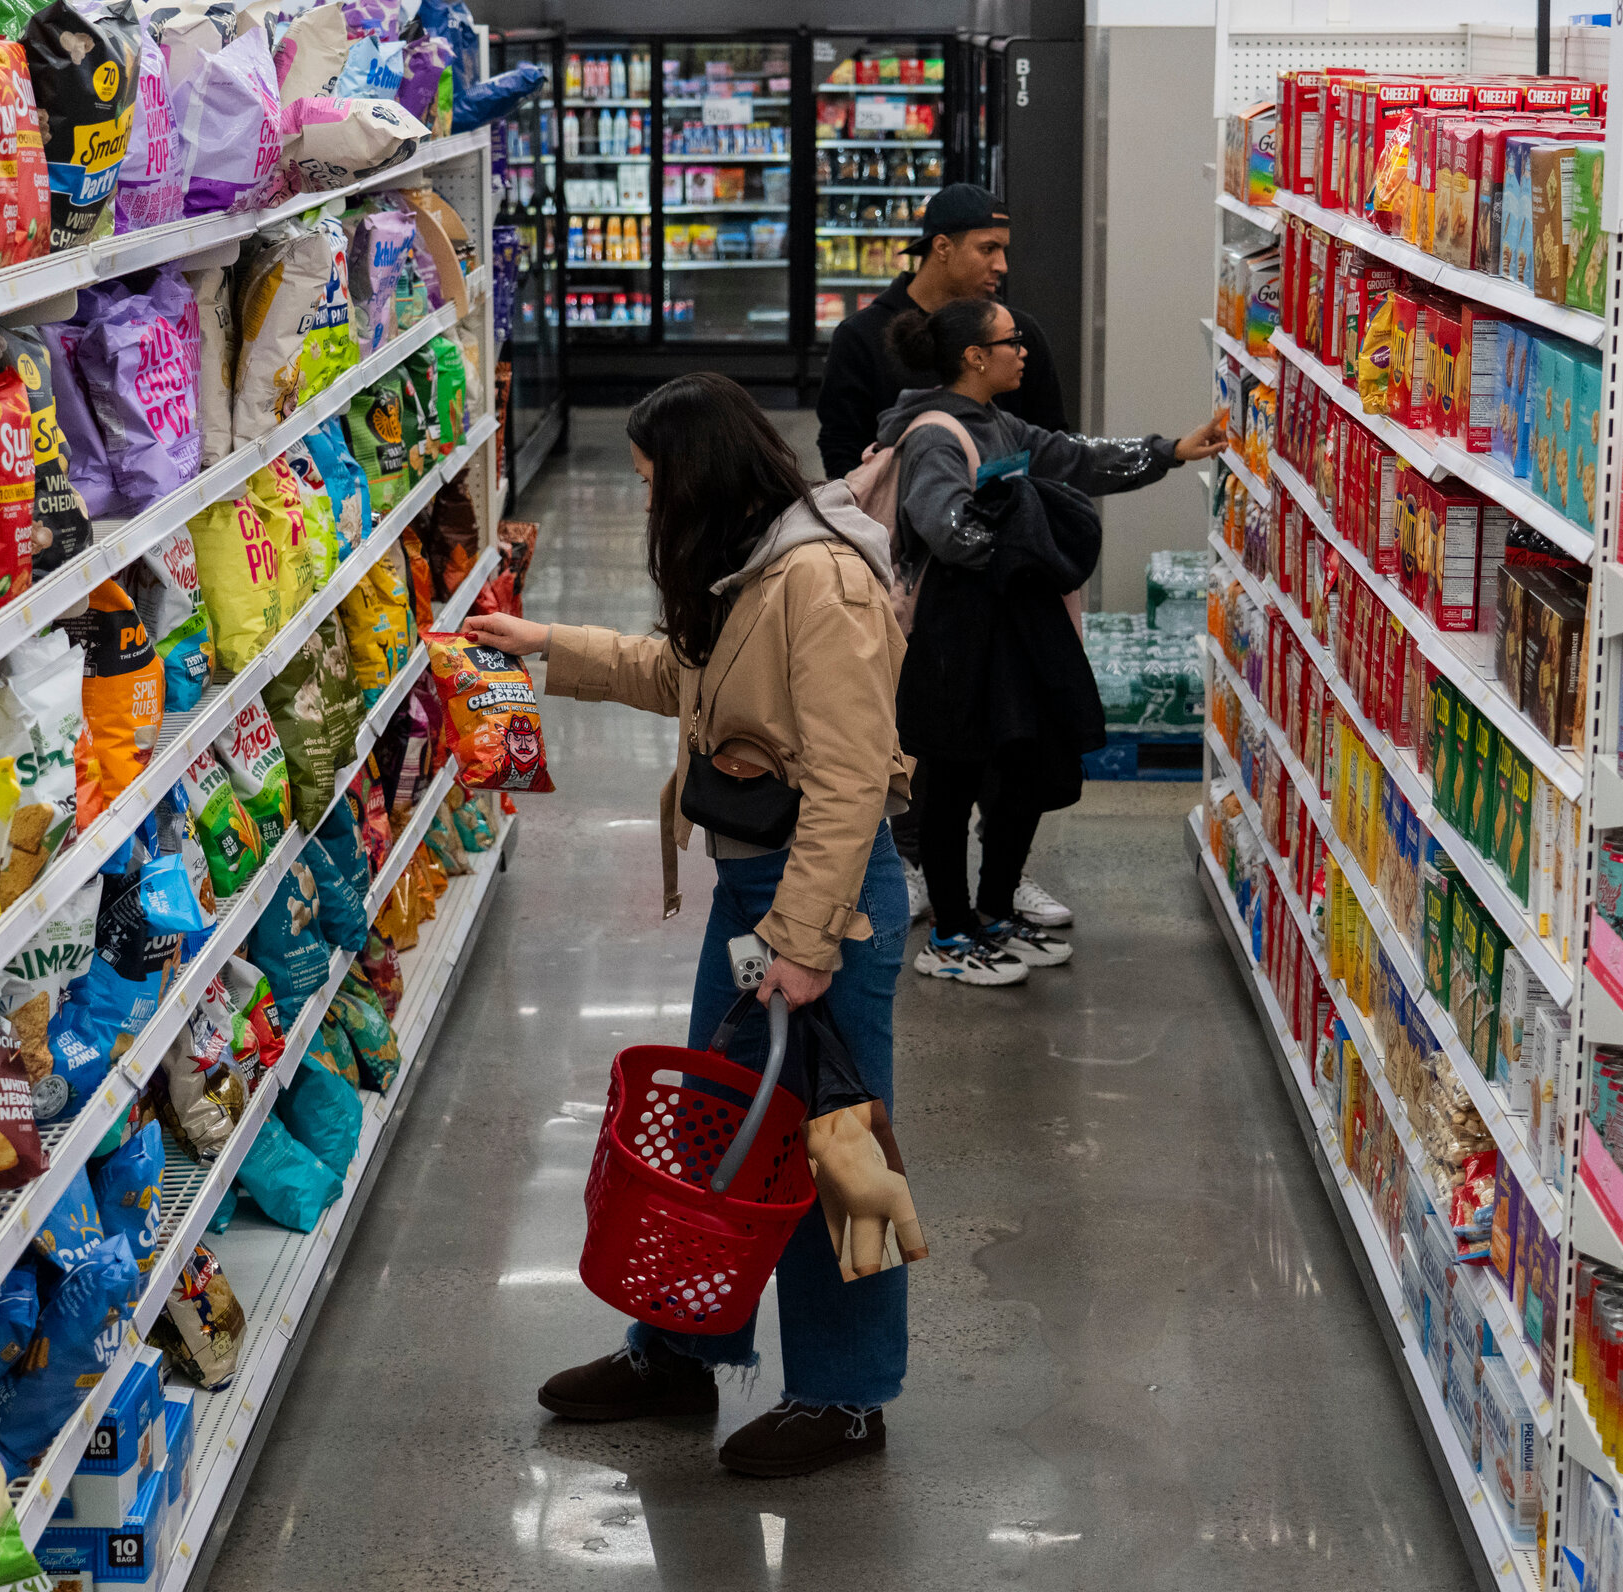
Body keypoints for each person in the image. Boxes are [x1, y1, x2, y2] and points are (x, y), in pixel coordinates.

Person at [464, 371, 914, 1477]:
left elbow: (853, 780)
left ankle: (845, 1398)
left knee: (835, 1150)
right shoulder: (754, 563)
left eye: (656, 483)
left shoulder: (819, 581)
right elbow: (683, 676)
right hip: (754, 897)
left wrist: (808, 945)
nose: (651, 502)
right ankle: (678, 1346)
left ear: (699, 477)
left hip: (830, 905)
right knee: (720, 1132)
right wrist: (543, 644)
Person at [881, 298, 1222, 986]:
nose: (1024, 351)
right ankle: (949, 935)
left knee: (1022, 770)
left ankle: (991, 912)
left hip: (1004, 635)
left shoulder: (999, 423)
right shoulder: (934, 435)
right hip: (954, 639)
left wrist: (1170, 453)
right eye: (1011, 341)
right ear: (975, 357)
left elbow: (1074, 458)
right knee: (949, 781)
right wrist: (1029, 530)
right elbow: (948, 529)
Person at [817, 182, 1072, 933]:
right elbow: (842, 460)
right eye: (987, 249)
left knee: (1009, 725)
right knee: (915, 727)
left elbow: (1052, 441)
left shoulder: (1015, 335)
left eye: (1005, 251)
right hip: (906, 581)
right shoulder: (865, 338)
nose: (1001, 265)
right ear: (942, 248)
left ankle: (1004, 871)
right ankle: (915, 864)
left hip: (1001, 577)